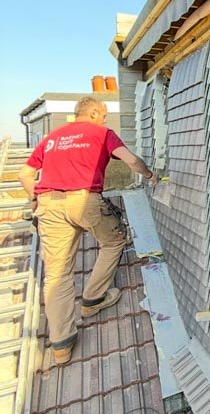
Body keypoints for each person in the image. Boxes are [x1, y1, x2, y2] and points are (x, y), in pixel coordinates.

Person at [17, 96, 159, 365]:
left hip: (49, 204)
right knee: (114, 241)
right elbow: (131, 160)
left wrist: (34, 198)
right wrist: (150, 176)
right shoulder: (102, 133)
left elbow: (24, 175)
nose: (105, 120)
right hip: (84, 201)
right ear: (94, 113)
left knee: (57, 275)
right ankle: (93, 298)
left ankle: (61, 345)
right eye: (103, 116)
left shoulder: (52, 137)